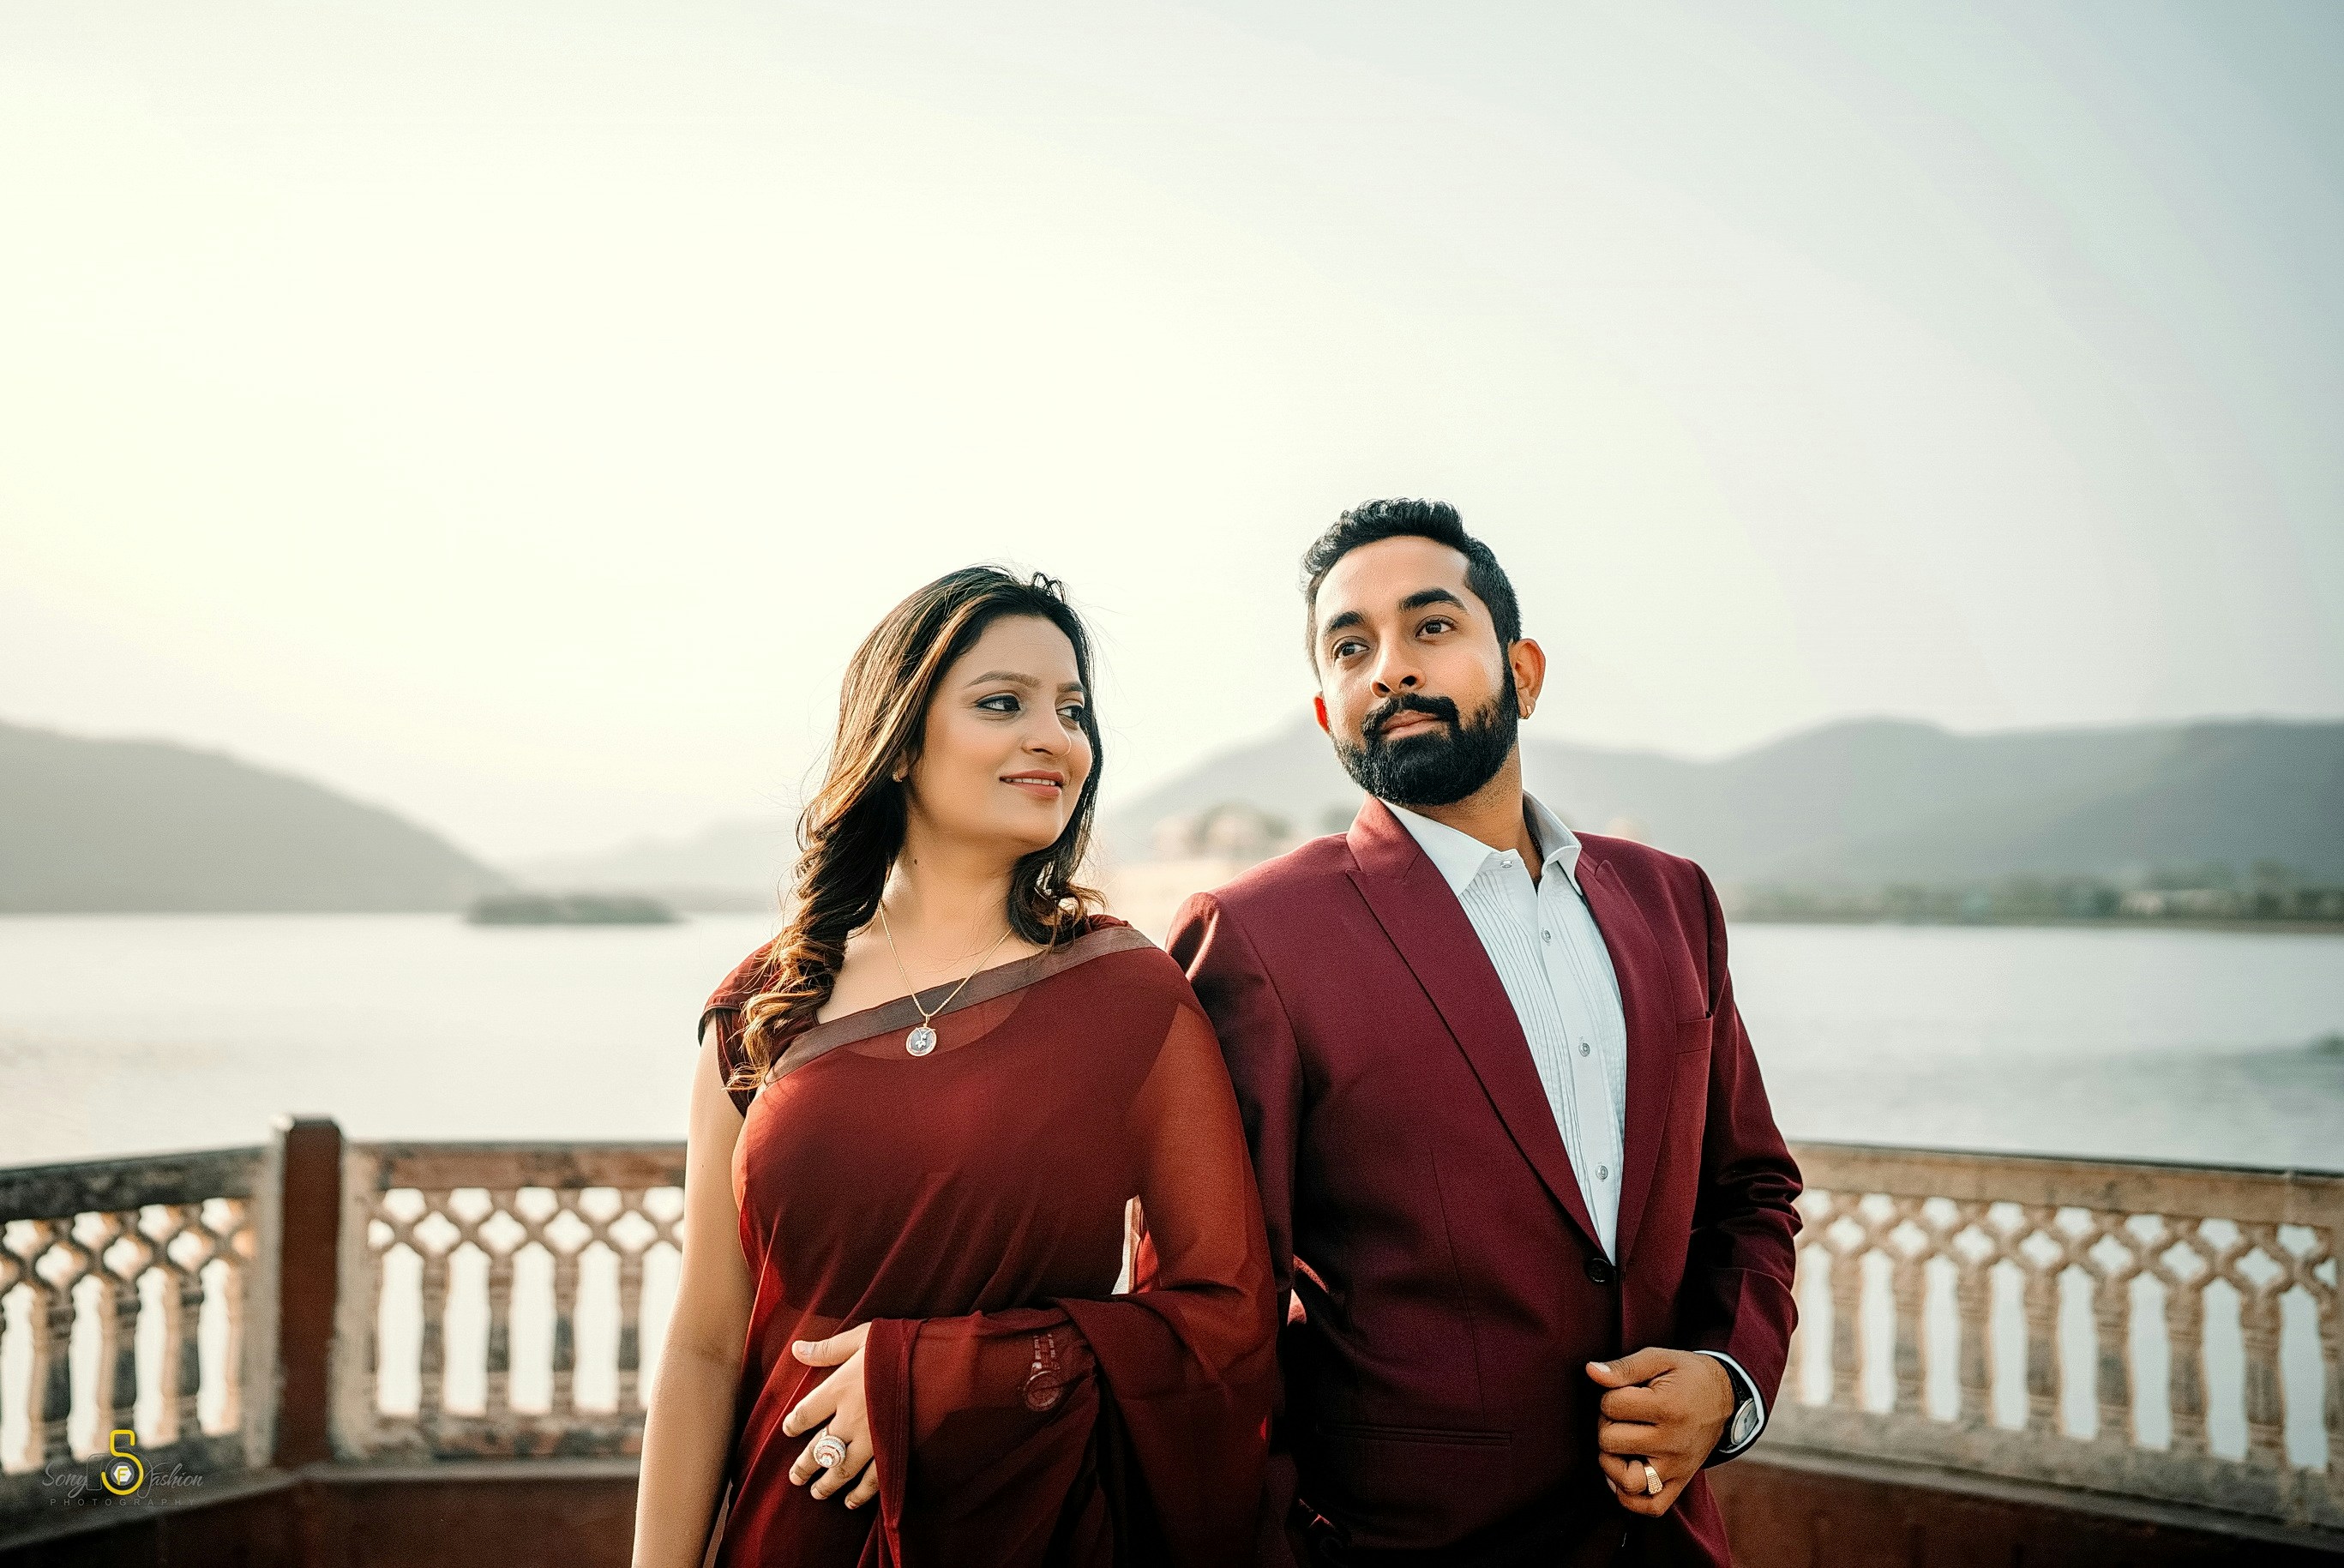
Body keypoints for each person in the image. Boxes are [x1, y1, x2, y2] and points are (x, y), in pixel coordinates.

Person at [1167, 502, 1802, 1567]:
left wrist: (1723, 1379)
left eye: (1430, 627)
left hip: (1664, 1535)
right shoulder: (1256, 936)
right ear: (1327, 709)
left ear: (1524, 670)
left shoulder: (1670, 899)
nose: (1391, 670)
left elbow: (1749, 1192)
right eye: (1352, 645)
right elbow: (1212, 1303)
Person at [634, 567, 1277, 1568]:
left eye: (1072, 709)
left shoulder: (1127, 996)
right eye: (1001, 702)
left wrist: (941, 1376)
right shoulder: (764, 1005)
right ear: (899, 741)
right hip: (788, 1526)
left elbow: (1224, 1315)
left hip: (1024, 1525)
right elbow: (707, 1342)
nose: (1054, 736)